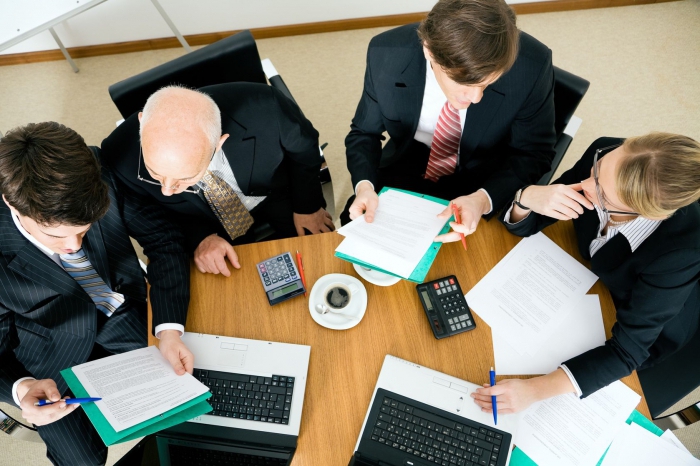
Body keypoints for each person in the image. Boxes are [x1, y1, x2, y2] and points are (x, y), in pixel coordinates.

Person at [0, 122, 192, 465]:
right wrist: (21, 388)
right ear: (13, 206)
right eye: (56, 237)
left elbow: (164, 240)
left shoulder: (96, 168)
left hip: (119, 309)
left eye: (84, 231)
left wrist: (169, 330)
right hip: (47, 357)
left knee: (193, 399)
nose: (74, 247)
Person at [467, 133, 700, 414]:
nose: (584, 185)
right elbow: (536, 217)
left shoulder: (683, 252)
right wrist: (526, 196)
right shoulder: (605, 153)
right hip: (581, 281)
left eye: (601, 193)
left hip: (639, 319)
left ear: (647, 213)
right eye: (596, 170)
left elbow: (627, 353)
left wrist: (534, 390)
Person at [342, 0, 556, 237]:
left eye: (488, 82)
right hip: (405, 164)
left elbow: (534, 153)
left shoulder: (532, 66)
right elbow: (364, 133)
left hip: (485, 179)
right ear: (429, 51)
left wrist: (483, 200)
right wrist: (364, 186)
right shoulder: (386, 53)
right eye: (465, 84)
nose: (476, 97)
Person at [101, 84, 334, 278]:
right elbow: (148, 210)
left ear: (219, 143)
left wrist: (308, 206)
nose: (167, 190)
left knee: (323, 260)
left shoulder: (267, 108)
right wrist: (200, 237)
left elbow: (305, 151)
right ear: (142, 123)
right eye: (154, 172)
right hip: (203, 221)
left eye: (186, 178)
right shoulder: (118, 153)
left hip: (278, 194)